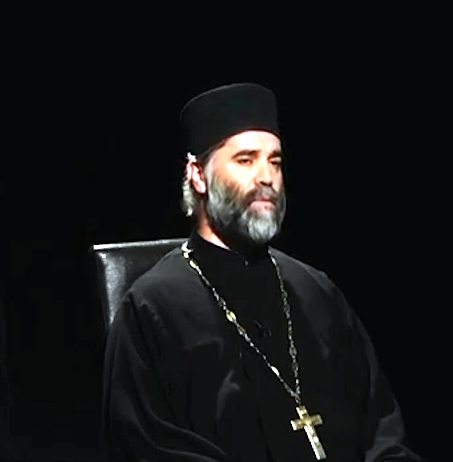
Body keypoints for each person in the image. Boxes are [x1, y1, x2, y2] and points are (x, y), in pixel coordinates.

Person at [101, 83, 423, 461]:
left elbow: (382, 428)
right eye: (245, 160)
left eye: (275, 161)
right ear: (198, 175)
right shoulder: (152, 308)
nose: (266, 177)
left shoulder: (316, 291)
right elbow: (149, 448)